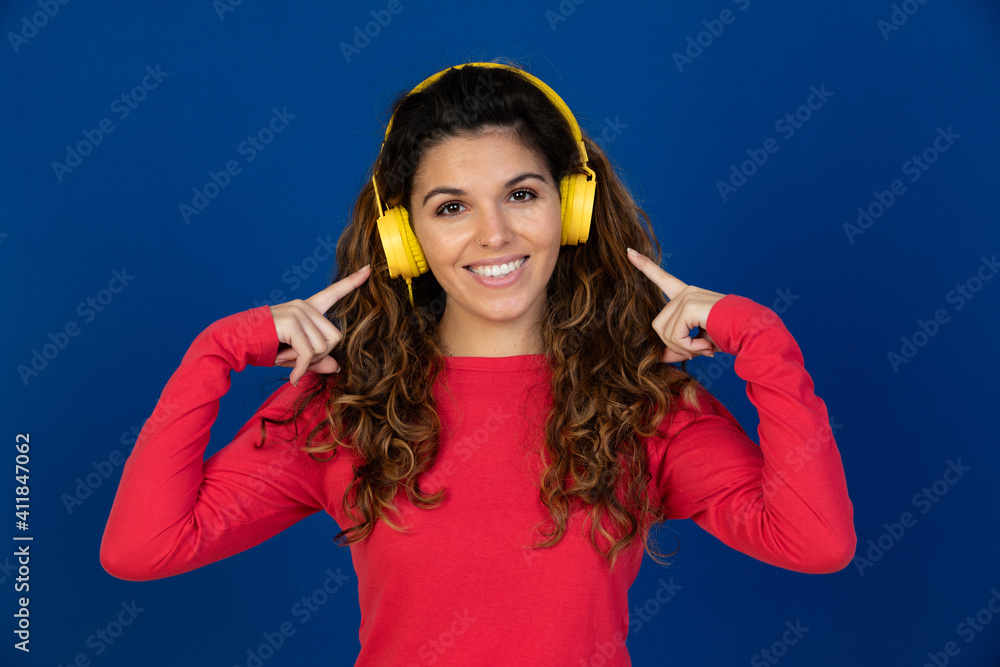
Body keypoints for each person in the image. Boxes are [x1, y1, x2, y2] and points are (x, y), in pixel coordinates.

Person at [100, 59, 855, 665]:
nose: (493, 234)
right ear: (406, 236)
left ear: (570, 207)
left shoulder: (640, 402)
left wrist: (759, 336)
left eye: (521, 194)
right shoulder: (346, 407)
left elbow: (815, 541)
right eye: (451, 207)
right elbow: (143, 548)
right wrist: (217, 351)